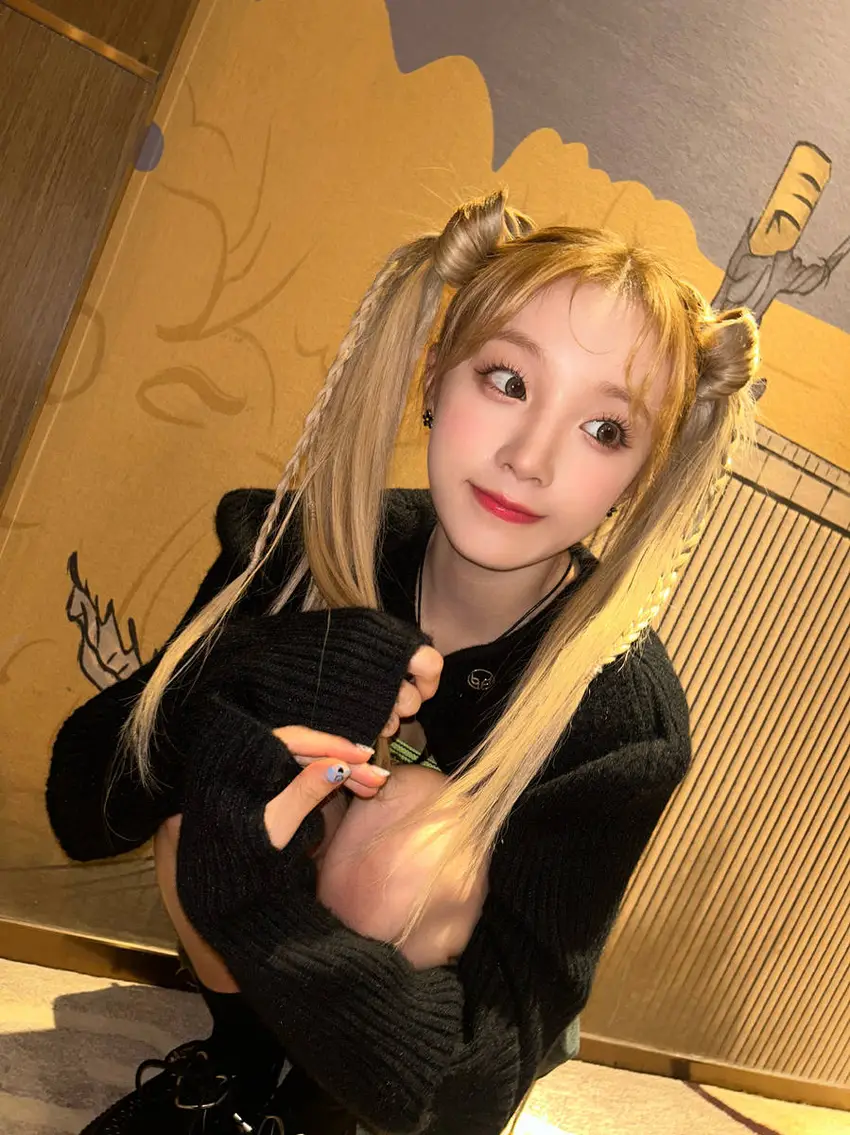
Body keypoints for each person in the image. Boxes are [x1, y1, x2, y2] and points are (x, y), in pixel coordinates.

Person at [46, 191, 761, 1135]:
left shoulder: (620, 718)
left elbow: (473, 1087)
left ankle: (312, 1109)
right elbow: (84, 804)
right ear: (434, 375)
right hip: (269, 969)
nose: (530, 458)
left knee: (408, 838)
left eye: (605, 430)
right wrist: (255, 674)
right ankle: (243, 1070)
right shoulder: (301, 549)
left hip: (416, 1039)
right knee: (214, 758)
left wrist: (259, 910)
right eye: (507, 380)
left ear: (641, 479)